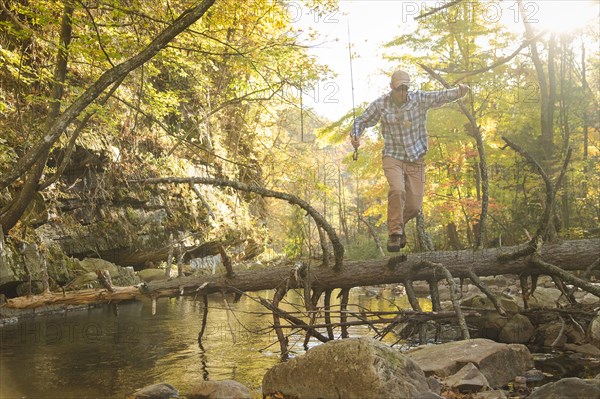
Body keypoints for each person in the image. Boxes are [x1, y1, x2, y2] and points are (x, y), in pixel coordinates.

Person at [350, 69, 469, 252]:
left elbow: (440, 96)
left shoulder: (419, 99)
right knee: (397, 190)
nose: (403, 93)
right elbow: (362, 120)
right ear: (391, 87)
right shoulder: (381, 104)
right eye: (399, 89)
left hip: (416, 158)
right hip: (393, 156)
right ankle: (395, 233)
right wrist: (355, 135)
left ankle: (398, 226)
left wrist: (459, 92)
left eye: (406, 88)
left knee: (414, 206)